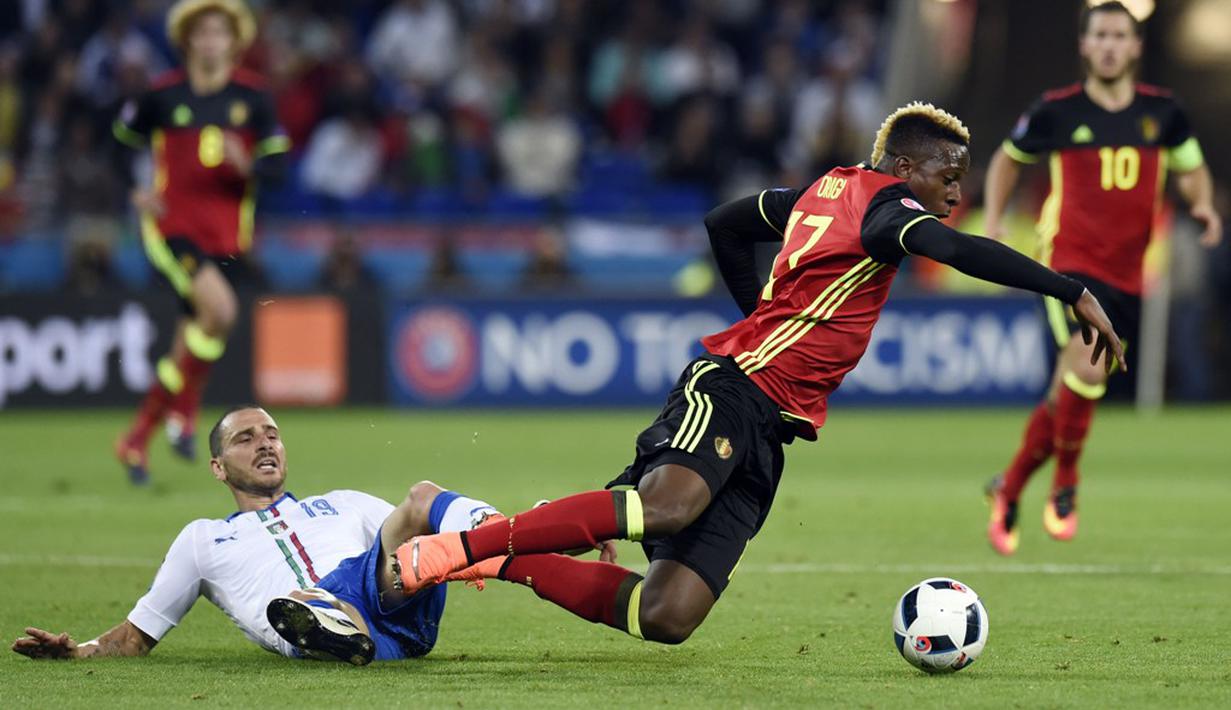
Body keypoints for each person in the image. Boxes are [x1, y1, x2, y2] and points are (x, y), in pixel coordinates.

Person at [388, 101, 1126, 645]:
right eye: (949, 176)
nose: (956, 194)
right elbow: (958, 250)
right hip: (732, 389)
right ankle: (457, 547)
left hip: (769, 426)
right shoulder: (886, 209)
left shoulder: (822, 192)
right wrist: (1070, 289)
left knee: (665, 615)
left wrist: (763, 315)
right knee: (666, 507)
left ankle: (501, 559)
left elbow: (725, 222)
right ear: (905, 170)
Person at [982, 1, 1221, 556]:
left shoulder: (1163, 113)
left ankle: (1009, 487)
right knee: (1088, 369)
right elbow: (1007, 159)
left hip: (1129, 274)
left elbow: (1192, 168)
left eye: (1119, 36)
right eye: (1101, 36)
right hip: (1066, 264)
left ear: (1135, 47)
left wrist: (1203, 204)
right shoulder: (1057, 111)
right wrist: (994, 218)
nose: (1110, 46)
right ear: (1084, 46)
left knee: (1065, 394)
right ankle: (1066, 482)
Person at [12, 406, 504, 666]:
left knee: (420, 500)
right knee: (307, 600)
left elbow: (412, 537)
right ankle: (331, 623)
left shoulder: (342, 501)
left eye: (271, 434)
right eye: (244, 439)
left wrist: (472, 555)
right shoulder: (202, 540)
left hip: (393, 599)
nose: (264, 443)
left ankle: (512, 533)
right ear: (217, 467)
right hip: (336, 630)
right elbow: (134, 636)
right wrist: (76, 652)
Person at [113, 0, 290, 484]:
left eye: (220, 33)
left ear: (234, 42)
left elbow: (279, 167)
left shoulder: (254, 98)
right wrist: (135, 189)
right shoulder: (161, 95)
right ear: (187, 40)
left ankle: (136, 439)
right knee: (222, 311)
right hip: (172, 228)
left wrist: (247, 164)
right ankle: (185, 411)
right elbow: (119, 144)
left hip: (227, 237)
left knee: (198, 333)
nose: (211, 42)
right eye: (202, 33)